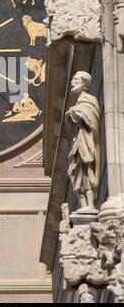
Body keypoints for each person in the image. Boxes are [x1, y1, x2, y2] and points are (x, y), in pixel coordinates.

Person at [66, 71, 100, 211]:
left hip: (87, 141)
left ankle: (90, 205)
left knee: (87, 172)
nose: (72, 82)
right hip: (80, 141)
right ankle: (84, 204)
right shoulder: (81, 101)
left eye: (75, 79)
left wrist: (75, 111)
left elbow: (91, 118)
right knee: (74, 172)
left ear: (84, 83)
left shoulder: (88, 100)